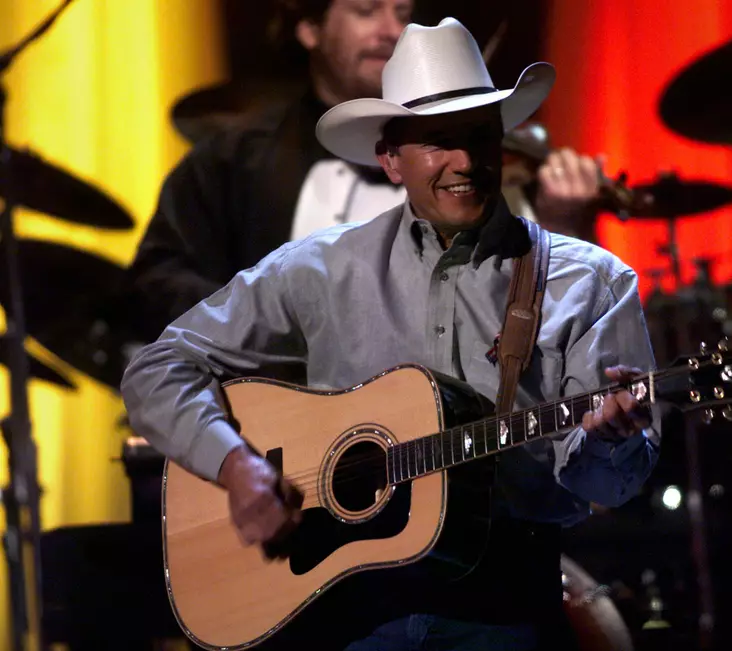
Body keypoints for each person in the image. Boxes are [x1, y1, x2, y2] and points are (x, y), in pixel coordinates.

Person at [121, 17, 659, 651]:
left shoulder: (590, 281)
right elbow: (158, 368)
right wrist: (236, 466)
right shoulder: (318, 270)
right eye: (438, 141)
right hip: (336, 613)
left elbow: (609, 487)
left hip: (503, 612)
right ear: (390, 159)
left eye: (478, 136)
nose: (464, 163)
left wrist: (608, 441)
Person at [125, 0, 605, 346]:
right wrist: (269, 325)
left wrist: (568, 227)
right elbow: (155, 283)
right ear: (310, 28)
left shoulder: (478, 165)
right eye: (365, 10)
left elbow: (548, 328)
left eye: (401, 11)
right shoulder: (238, 157)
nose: (390, 30)